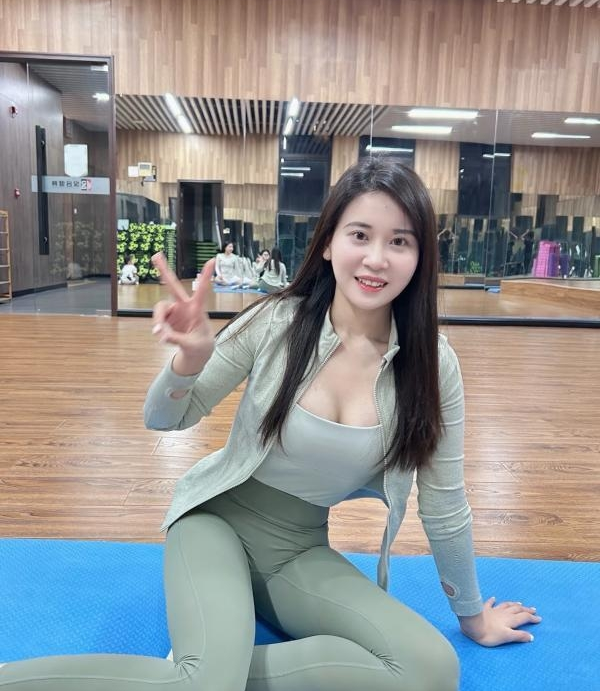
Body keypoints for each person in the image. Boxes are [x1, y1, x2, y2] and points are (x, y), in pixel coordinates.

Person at [0, 157, 541, 691]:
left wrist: (473, 616)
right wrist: (188, 361)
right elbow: (163, 417)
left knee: (432, 669)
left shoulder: (432, 364)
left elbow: (445, 504)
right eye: (360, 235)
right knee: (208, 681)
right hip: (214, 523)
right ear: (328, 243)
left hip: (299, 552)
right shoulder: (276, 321)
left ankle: (209, 673)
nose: (376, 259)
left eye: (399, 241)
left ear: (420, 257)